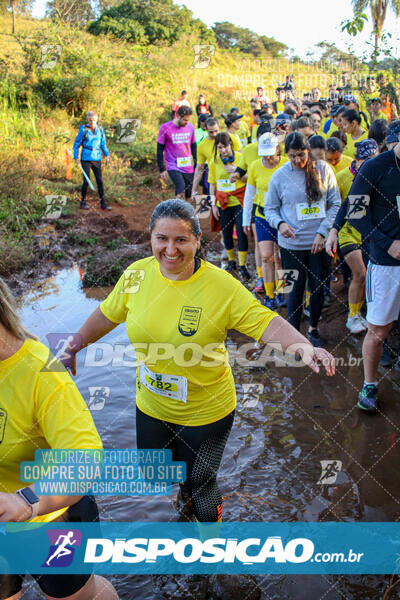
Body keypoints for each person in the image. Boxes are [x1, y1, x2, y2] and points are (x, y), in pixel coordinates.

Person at [60, 199, 335, 525]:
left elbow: (265, 322)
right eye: (162, 238)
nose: (170, 250)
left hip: (207, 410)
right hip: (152, 404)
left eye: (181, 240)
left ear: (197, 242)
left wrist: (303, 346)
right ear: (151, 238)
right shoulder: (136, 275)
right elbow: (107, 313)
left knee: (202, 482)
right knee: (157, 474)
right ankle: (185, 494)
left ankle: (210, 549)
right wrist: (74, 345)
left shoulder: (221, 287)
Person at [0, 278, 118, 600]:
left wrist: (26, 500)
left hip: (53, 520)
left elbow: (85, 458)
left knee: (75, 596)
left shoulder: (41, 371)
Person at [265, 132, 341, 347]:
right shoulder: (279, 177)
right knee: (294, 288)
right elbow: (270, 209)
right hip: (291, 244)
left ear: (308, 150)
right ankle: (294, 334)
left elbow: (336, 204)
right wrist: (280, 224)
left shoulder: (323, 170)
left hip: (319, 242)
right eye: (292, 156)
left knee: (317, 286)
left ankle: (314, 328)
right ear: (285, 155)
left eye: (301, 155)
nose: (297, 160)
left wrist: (323, 231)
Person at [345, 127, 400, 412]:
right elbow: (354, 213)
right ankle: (369, 384)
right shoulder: (375, 167)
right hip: (386, 264)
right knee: (378, 330)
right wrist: (386, 243)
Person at [325, 139, 379, 335]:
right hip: (347, 232)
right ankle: (352, 317)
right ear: (356, 161)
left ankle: (364, 311)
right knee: (360, 273)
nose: (369, 165)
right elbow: (335, 206)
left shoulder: (377, 176)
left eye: (373, 160)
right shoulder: (341, 177)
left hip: (368, 233)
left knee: (369, 275)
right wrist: (332, 231)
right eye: (365, 161)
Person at [242, 132, 288, 308]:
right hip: (262, 215)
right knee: (267, 256)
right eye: (264, 153)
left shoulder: (286, 164)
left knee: (280, 257)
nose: (268, 157)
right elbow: (249, 195)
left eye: (271, 152)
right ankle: (269, 295)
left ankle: (283, 291)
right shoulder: (254, 166)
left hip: (283, 215)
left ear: (277, 148)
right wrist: (247, 219)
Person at [208, 132, 249, 279]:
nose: (223, 150)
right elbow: (212, 184)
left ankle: (243, 265)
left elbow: (249, 179)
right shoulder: (214, 162)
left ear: (230, 145)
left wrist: (236, 172)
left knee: (241, 232)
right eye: (219, 148)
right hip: (222, 201)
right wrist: (213, 205)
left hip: (238, 200)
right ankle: (232, 261)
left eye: (225, 147)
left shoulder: (240, 158)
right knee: (226, 233)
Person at [191, 117, 241, 199]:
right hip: (216, 181)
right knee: (210, 204)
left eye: (216, 131)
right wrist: (194, 189)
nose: (214, 134)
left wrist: (237, 170)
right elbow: (199, 168)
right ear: (205, 129)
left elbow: (241, 157)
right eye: (211, 132)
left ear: (219, 127)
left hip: (234, 179)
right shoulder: (202, 145)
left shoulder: (230, 137)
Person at [72, 111, 111, 211]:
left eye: (94, 120)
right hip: (86, 158)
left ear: (96, 120)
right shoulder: (84, 129)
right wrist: (75, 157)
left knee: (100, 181)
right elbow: (76, 144)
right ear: (87, 120)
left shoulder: (100, 130)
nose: (92, 122)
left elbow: (103, 144)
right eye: (90, 120)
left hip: (97, 158)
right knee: (86, 181)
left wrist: (106, 155)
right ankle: (83, 202)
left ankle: (103, 204)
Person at [157, 105, 197, 200]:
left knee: (188, 193)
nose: (186, 122)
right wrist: (162, 169)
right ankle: (177, 212)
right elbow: (159, 149)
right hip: (173, 164)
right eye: (184, 120)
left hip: (187, 164)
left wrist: (196, 162)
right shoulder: (165, 128)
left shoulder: (190, 127)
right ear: (178, 116)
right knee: (181, 189)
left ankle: (184, 212)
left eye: (188, 120)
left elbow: (193, 146)